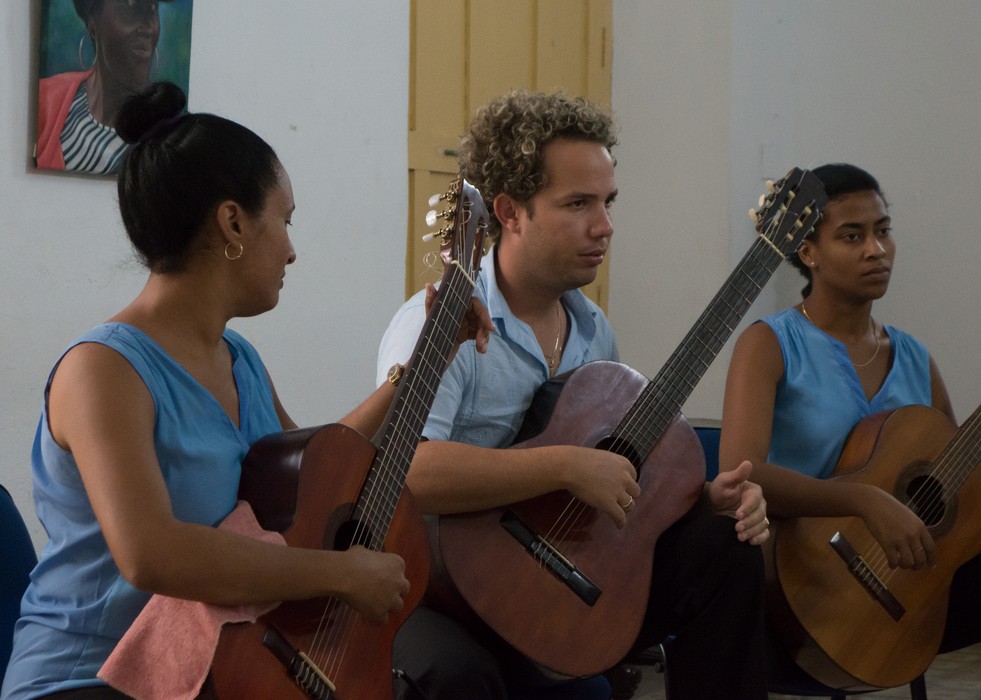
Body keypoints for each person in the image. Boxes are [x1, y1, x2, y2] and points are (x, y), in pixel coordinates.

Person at [3, 81, 491, 700]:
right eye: (284, 221)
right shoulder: (102, 370)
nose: (291, 250)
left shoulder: (240, 360)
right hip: (87, 680)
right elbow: (152, 553)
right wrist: (338, 575)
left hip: (218, 664)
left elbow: (312, 473)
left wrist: (425, 360)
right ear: (233, 221)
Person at [376, 90, 771, 700]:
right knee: (456, 675)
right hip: (443, 590)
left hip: (557, 576)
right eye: (578, 204)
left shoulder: (593, 330)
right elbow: (409, 470)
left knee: (725, 549)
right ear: (509, 211)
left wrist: (693, 504)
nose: (604, 226)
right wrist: (563, 465)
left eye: (608, 201)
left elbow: (607, 476)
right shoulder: (436, 323)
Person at [719, 163, 981, 679]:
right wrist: (866, 501)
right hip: (797, 586)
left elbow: (959, 488)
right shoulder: (770, 344)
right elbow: (741, 474)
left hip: (903, 588)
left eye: (883, 231)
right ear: (807, 251)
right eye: (852, 236)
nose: (876, 250)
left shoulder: (914, 356)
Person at [36, 0, 175, 173]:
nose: (148, 29)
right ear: (93, 21)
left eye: (152, 8)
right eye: (131, 6)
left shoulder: (167, 136)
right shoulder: (46, 97)